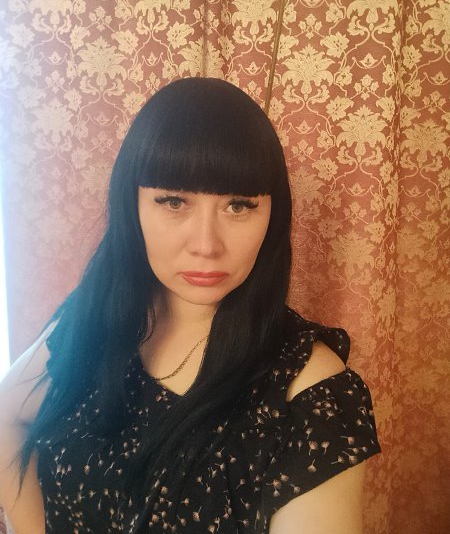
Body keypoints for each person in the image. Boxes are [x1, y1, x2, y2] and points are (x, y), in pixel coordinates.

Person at [0, 77, 381, 534]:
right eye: (174, 201)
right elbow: (6, 419)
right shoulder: (96, 319)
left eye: (239, 206)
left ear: (272, 215)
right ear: (132, 207)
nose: (206, 245)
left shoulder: (309, 391)